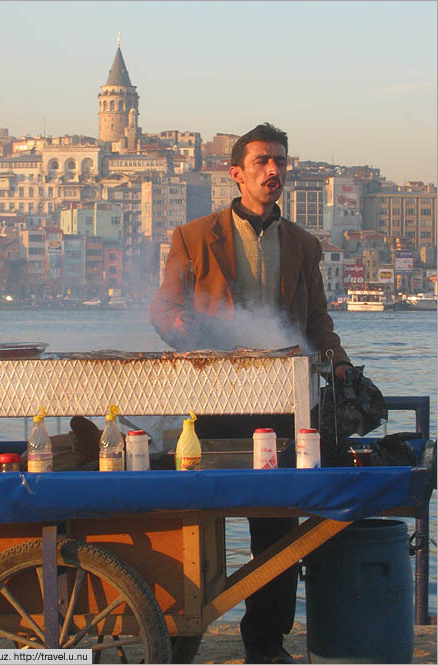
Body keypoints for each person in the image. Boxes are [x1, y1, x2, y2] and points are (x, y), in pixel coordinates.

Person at [150, 123, 351, 664]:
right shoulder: (194, 237)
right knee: (197, 521)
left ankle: (265, 644)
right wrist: (190, 339)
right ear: (235, 173)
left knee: (278, 529)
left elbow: (317, 322)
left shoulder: (304, 245)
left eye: (281, 162)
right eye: (262, 161)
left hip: (281, 403)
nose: (273, 171)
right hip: (213, 401)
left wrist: (339, 365)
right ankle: (181, 631)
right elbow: (164, 308)